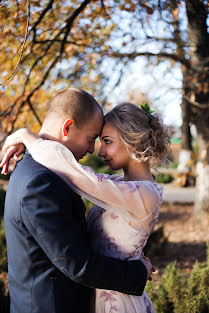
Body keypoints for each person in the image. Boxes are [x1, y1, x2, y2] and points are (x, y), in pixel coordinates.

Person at [0, 89, 155, 313]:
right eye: (91, 139)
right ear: (67, 127)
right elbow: (76, 264)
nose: (93, 150)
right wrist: (138, 271)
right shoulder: (42, 182)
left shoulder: (41, 170)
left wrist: (26, 136)